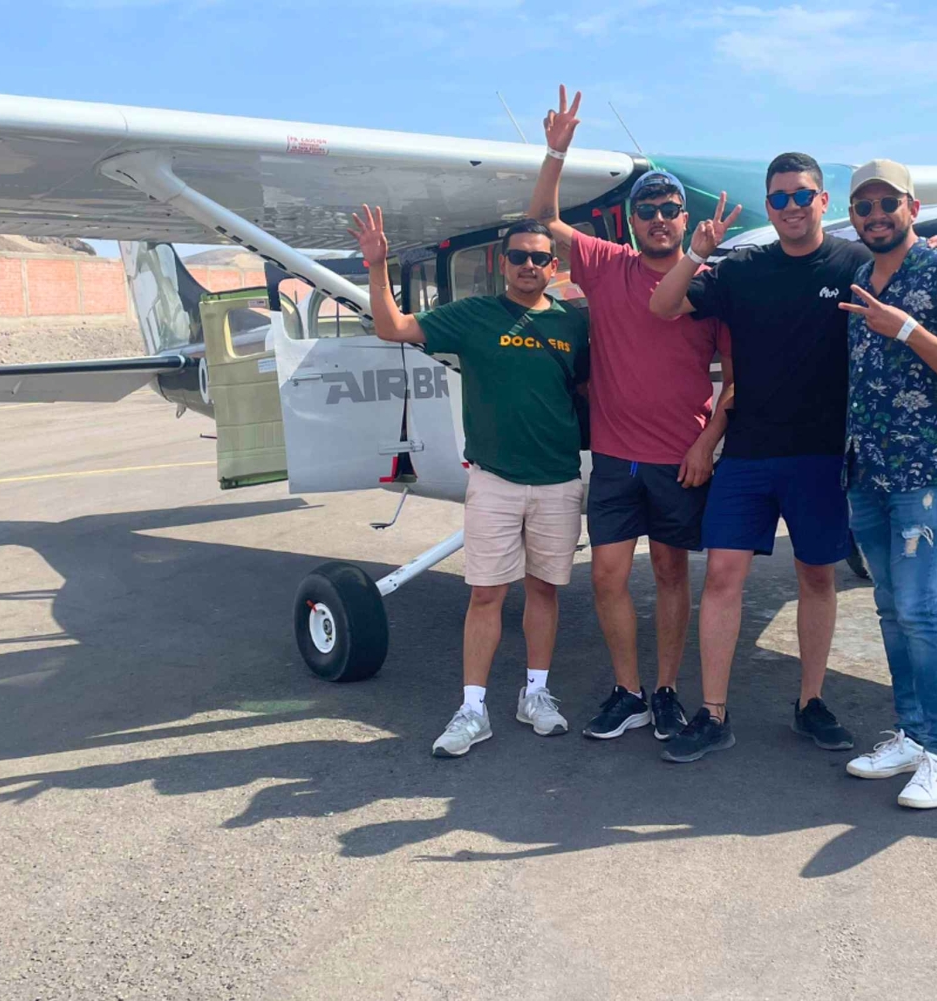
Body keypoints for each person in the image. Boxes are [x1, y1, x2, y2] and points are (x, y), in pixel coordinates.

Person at [646, 152, 868, 764]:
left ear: (824, 201)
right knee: (721, 578)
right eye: (779, 199)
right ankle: (713, 714)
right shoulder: (743, 268)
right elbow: (663, 306)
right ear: (768, 206)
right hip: (747, 454)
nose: (791, 207)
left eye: (803, 196)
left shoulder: (856, 266)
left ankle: (811, 702)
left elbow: (918, 279)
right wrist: (696, 250)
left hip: (818, 455)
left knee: (817, 577)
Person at [527, 86, 733, 742]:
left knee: (672, 572)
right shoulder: (604, 262)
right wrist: (557, 150)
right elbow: (542, 220)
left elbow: (738, 381)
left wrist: (709, 442)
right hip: (616, 456)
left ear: (683, 217)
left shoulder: (709, 284)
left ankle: (667, 688)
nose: (660, 219)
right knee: (610, 575)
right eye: (648, 209)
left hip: (681, 456)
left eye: (671, 209)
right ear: (631, 219)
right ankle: (629, 689)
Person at [348, 206, 590, 758]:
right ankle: (472, 709)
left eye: (539, 257)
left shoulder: (573, 323)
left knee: (544, 590)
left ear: (554, 265)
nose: (529, 265)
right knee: (485, 594)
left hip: (558, 479)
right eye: (519, 257)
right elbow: (393, 328)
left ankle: (536, 694)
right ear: (503, 263)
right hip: (495, 480)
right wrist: (377, 265)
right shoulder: (474, 315)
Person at [836, 160, 937, 809]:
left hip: (924, 468)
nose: (875, 216)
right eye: (863, 207)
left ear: (913, 207)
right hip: (865, 467)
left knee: (921, 608)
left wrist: (904, 326)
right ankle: (911, 732)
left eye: (886, 204)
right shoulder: (860, 278)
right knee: (890, 607)